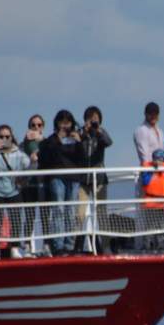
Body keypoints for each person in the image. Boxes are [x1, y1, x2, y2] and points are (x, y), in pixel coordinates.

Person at [36, 109, 86, 255]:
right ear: (57, 124)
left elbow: (83, 159)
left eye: (68, 123)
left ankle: (69, 245)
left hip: (74, 178)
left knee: (71, 211)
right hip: (57, 177)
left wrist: (79, 143)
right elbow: (46, 156)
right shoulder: (51, 140)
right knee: (58, 209)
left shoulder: (76, 139)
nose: (65, 126)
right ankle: (58, 245)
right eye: (62, 122)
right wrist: (58, 139)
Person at [0, 124, 30, 258]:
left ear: (12, 137)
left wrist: (33, 158)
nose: (4, 139)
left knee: (16, 219)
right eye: (1, 136)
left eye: (7, 136)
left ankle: (14, 248)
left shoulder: (18, 153)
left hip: (13, 190)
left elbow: (29, 164)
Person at [78, 105, 113, 254]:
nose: (93, 122)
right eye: (90, 119)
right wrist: (83, 134)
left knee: (102, 214)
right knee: (80, 213)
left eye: (95, 120)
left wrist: (98, 132)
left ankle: (106, 246)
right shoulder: (81, 133)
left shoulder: (101, 133)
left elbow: (109, 142)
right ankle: (77, 246)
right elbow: (74, 146)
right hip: (83, 180)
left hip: (99, 179)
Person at [18, 113, 46, 255]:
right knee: (29, 216)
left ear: (43, 127)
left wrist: (40, 149)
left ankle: (47, 245)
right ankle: (28, 244)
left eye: (39, 125)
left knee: (45, 215)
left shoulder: (47, 143)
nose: (36, 127)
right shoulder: (22, 145)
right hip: (28, 183)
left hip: (43, 183)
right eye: (33, 125)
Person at [138, 147, 164, 251]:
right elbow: (145, 181)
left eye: (161, 159)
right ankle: (147, 245)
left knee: (161, 225)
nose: (159, 162)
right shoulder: (147, 168)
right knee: (150, 225)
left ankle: (161, 245)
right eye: (156, 159)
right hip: (150, 201)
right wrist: (153, 171)